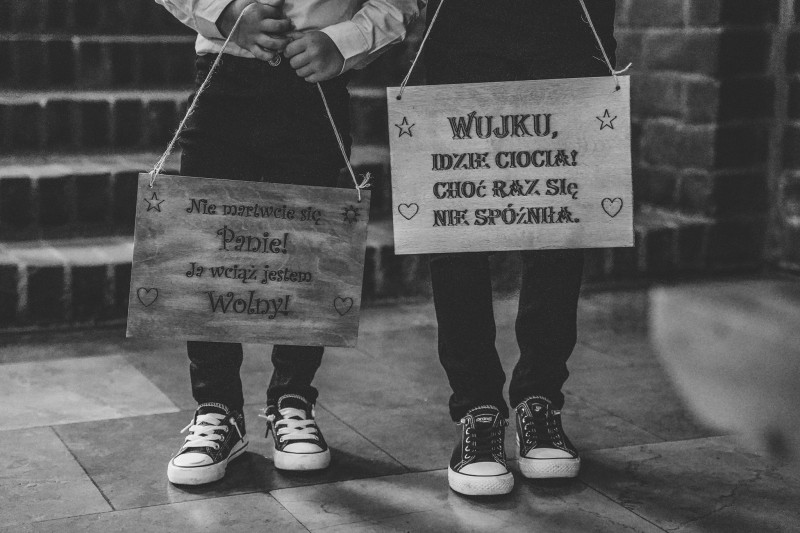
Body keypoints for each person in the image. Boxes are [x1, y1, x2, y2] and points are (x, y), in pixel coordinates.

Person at [155, 0, 423, 485]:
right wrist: (223, 11)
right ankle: (216, 408)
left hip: (316, 78)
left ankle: (293, 400)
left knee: (309, 248)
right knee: (211, 246)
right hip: (224, 69)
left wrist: (345, 42)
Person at [421, 0, 617, 496]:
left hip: (564, 23)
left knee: (559, 218)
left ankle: (539, 399)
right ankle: (477, 408)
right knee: (456, 222)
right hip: (459, 25)